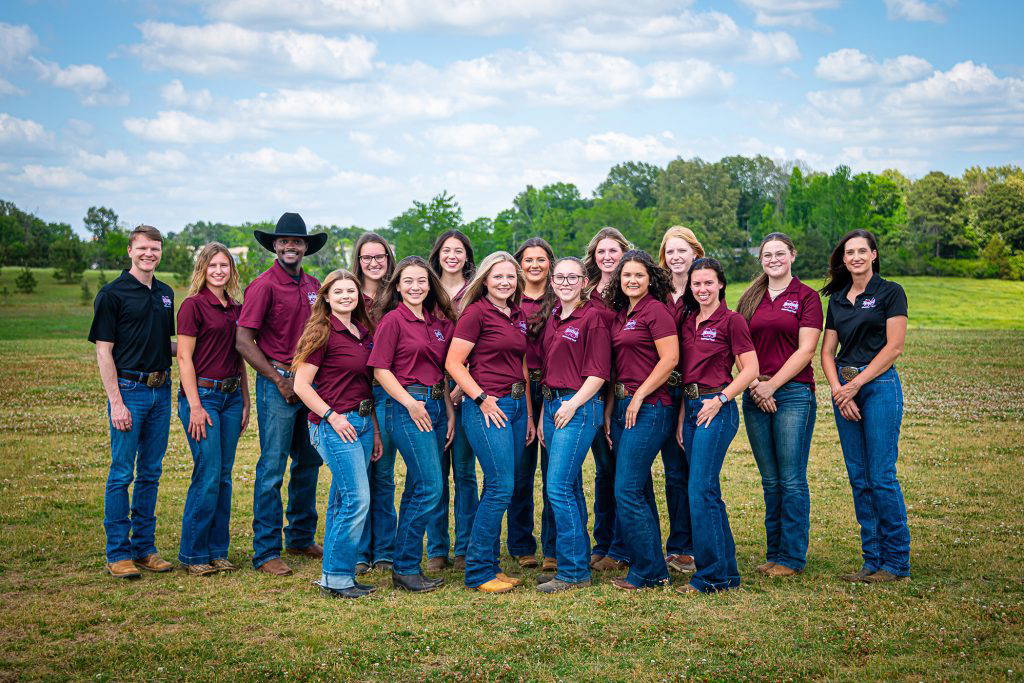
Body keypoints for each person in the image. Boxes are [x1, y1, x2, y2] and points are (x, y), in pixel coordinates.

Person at [236, 212, 327, 576]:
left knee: (309, 461)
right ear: (275, 246)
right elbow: (244, 340)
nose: (290, 246)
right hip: (279, 382)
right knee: (272, 466)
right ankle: (266, 551)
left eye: (297, 241)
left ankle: (301, 535)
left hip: (310, 383)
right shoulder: (263, 286)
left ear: (305, 247)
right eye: (284, 241)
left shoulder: (314, 285)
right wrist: (278, 379)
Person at [820, 229, 910, 584]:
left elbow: (894, 347)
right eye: (849, 252)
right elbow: (827, 352)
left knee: (881, 476)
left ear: (873, 255)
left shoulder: (891, 292)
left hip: (879, 388)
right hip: (845, 390)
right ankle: (871, 560)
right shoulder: (838, 299)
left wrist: (856, 384)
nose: (855, 257)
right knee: (859, 478)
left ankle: (896, 563)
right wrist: (839, 390)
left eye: (862, 251)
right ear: (843, 260)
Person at [445, 252, 536, 593]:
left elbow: (522, 366)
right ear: (485, 280)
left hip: (513, 407)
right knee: (500, 485)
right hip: (487, 407)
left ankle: (490, 565)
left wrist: (527, 413)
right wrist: (481, 398)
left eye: (510, 277)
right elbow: (455, 363)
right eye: (497, 276)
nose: (504, 282)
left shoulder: (516, 315)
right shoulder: (476, 313)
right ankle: (478, 572)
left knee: (500, 486)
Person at [89, 225, 176, 579]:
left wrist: (205, 348)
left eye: (154, 248)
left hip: (161, 390)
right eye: (142, 248)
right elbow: (103, 352)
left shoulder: (166, 293)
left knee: (151, 473)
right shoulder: (112, 294)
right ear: (129, 251)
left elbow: (165, 344)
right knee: (121, 472)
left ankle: (144, 548)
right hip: (130, 390)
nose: (149, 254)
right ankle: (118, 553)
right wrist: (117, 402)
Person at [736, 233, 822, 578]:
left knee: (791, 478)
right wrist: (755, 384)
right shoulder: (750, 297)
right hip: (755, 391)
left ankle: (791, 557)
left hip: (793, 393)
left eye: (779, 254)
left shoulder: (807, 297)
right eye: (767, 255)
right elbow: (738, 347)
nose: (773, 259)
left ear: (792, 256)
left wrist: (771, 385)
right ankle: (774, 553)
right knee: (770, 479)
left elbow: (805, 351)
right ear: (761, 260)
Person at [368, 256, 457, 592]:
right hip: (407, 409)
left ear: (430, 285)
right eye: (408, 281)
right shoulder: (393, 321)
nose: (416, 287)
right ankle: (404, 566)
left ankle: (405, 566)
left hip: (435, 405)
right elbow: (380, 370)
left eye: (422, 281)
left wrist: (447, 409)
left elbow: (440, 371)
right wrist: (410, 403)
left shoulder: (434, 322)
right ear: (398, 286)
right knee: (432, 486)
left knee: (419, 487)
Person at [292, 270, 383, 599]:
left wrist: (372, 429)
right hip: (334, 426)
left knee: (342, 502)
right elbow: (301, 386)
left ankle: (332, 575)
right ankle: (341, 578)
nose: (346, 296)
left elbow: (364, 384)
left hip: (360, 422)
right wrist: (331, 416)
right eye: (338, 291)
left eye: (351, 290)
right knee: (358, 499)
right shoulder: (321, 331)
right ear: (326, 297)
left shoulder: (361, 331)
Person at [676, 258, 758, 594]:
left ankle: (710, 576)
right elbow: (685, 374)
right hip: (692, 407)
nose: (702, 289)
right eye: (696, 284)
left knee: (700, 491)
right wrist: (683, 416)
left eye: (708, 283)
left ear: (720, 284)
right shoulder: (687, 320)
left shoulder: (732, 321)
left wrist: (721, 399)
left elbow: (751, 369)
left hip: (716, 408)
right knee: (707, 493)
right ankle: (728, 573)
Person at [535, 257, 611, 592]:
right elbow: (549, 369)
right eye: (560, 277)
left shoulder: (591, 317)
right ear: (552, 281)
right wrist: (542, 415)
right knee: (570, 487)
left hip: (577, 406)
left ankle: (574, 572)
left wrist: (572, 404)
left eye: (573, 277)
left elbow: (598, 373)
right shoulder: (553, 317)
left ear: (584, 281)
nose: (566, 282)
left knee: (558, 487)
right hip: (552, 406)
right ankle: (574, 561)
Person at [605, 250, 678, 590]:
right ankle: (651, 563)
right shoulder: (623, 314)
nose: (632, 280)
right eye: (626, 276)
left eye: (638, 275)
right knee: (640, 489)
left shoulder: (656, 311)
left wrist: (638, 396)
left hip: (649, 407)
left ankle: (649, 572)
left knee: (627, 489)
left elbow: (670, 359)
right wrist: (611, 409)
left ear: (651, 278)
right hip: (622, 407)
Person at [175, 243, 249, 576]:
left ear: (232, 270)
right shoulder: (193, 306)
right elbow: (183, 357)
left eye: (224, 266)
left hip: (232, 398)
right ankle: (193, 554)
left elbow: (240, 357)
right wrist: (194, 406)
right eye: (212, 266)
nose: (219, 271)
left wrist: (246, 400)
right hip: (203, 397)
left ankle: (218, 550)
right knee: (207, 473)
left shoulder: (236, 308)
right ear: (202, 269)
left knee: (223, 476)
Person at [424, 230, 478, 571]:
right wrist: (444, 391)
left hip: (468, 390)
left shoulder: (476, 293)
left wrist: (460, 388)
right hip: (432, 391)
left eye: (459, 250)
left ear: (467, 256)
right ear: (438, 255)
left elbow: (482, 342)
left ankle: (465, 548)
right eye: (447, 250)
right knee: (435, 474)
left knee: (465, 473)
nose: (453, 256)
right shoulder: (426, 291)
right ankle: (437, 549)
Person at [580, 226, 632, 572]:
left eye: (614, 251)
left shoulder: (631, 287)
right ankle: (603, 542)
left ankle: (622, 546)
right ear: (594, 257)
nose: (608, 257)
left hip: (624, 389)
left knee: (623, 472)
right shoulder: (585, 294)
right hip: (593, 391)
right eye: (601, 251)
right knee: (602, 471)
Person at [657, 226, 705, 574]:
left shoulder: (704, 288)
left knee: (695, 470)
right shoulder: (657, 291)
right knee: (673, 471)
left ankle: (694, 545)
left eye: (682, 250)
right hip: (660, 388)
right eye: (670, 252)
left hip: (694, 389)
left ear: (695, 252)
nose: (676, 257)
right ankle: (678, 545)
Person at [350, 232, 399, 574]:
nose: (374, 262)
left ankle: (384, 549)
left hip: (387, 389)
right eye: (367, 257)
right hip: (353, 391)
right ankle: (358, 550)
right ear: (359, 260)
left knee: (383, 472)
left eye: (379, 256)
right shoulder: (349, 294)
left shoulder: (397, 296)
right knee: (357, 475)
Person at [512, 237, 556, 570]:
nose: (535, 265)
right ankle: (521, 544)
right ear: (519, 263)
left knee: (554, 472)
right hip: (519, 388)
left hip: (555, 387)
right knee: (521, 471)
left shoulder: (560, 299)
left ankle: (553, 547)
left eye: (541, 259)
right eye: (528, 259)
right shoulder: (510, 299)